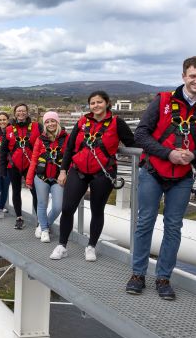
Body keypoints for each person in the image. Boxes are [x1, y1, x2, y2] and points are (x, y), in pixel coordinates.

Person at [128, 56, 196, 300]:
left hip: (182, 176)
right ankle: (138, 274)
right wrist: (168, 153)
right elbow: (141, 134)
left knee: (173, 227)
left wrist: (194, 155)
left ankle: (163, 278)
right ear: (184, 76)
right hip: (153, 170)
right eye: (193, 75)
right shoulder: (162, 101)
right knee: (145, 222)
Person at [50, 90, 134, 261]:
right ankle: (62, 245)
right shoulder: (82, 122)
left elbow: (132, 143)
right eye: (93, 103)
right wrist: (63, 170)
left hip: (103, 172)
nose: (96, 105)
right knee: (67, 208)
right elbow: (70, 146)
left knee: (97, 209)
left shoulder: (117, 123)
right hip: (78, 169)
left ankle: (91, 246)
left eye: (99, 102)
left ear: (107, 103)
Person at [26, 111, 67, 243]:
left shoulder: (65, 138)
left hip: (58, 178)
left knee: (58, 206)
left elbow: (69, 158)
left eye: (53, 121)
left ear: (57, 122)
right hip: (41, 176)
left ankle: (45, 224)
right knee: (42, 204)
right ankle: (44, 230)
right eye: (47, 122)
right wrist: (29, 178)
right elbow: (33, 159)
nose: (50, 124)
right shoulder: (40, 139)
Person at [7, 103, 40, 230]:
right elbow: (4, 148)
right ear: (15, 113)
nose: (21, 113)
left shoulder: (37, 127)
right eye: (18, 111)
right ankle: (19, 218)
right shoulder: (10, 129)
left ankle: (39, 219)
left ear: (27, 112)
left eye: (23, 111)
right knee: (16, 191)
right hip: (14, 165)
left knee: (35, 192)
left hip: (31, 166)